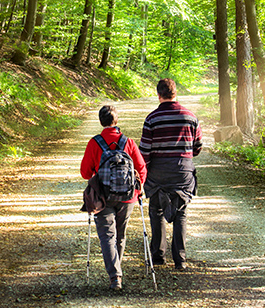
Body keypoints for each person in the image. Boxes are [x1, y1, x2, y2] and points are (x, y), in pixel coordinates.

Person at [80, 104, 147, 290]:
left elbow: (85, 173)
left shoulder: (95, 143)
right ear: (116, 120)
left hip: (102, 197)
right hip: (127, 196)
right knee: (120, 234)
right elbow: (141, 168)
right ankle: (117, 270)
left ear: (101, 121)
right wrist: (138, 189)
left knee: (107, 235)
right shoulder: (129, 142)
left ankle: (115, 276)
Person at [139, 78, 202, 270]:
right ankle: (180, 259)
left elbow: (144, 152)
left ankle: (158, 256)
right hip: (182, 170)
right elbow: (197, 147)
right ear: (175, 93)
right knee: (181, 213)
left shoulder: (152, 119)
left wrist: (145, 174)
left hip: (158, 171)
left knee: (156, 211)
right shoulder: (191, 117)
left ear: (158, 95)